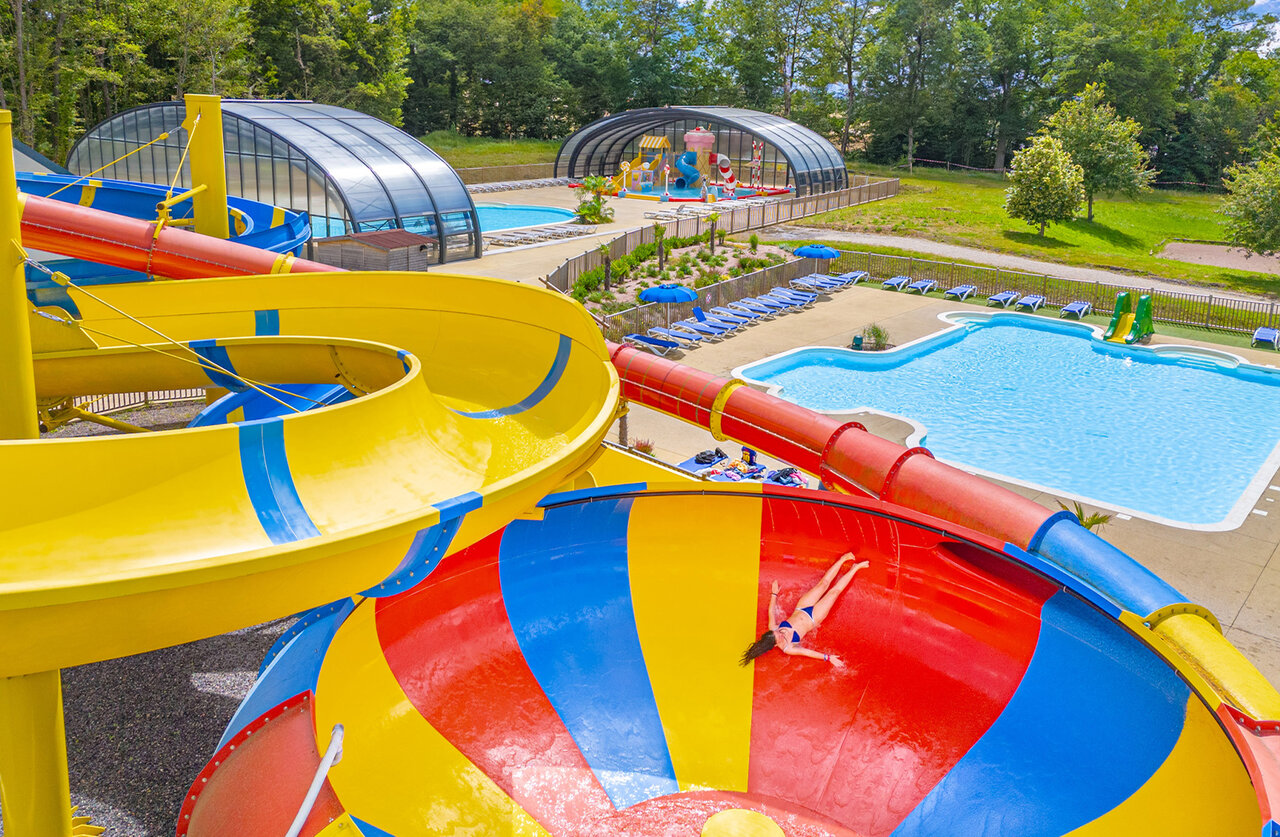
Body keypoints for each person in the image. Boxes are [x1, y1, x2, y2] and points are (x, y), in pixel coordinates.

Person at [740, 553, 870, 668]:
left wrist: (774, 594)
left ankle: (843, 559)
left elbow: (771, 611)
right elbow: (807, 652)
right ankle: (855, 568)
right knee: (834, 592)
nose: (779, 632)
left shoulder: (773, 628)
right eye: (779, 635)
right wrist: (828, 658)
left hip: (801, 607)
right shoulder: (788, 647)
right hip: (814, 618)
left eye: (776, 632)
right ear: (775, 645)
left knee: (823, 584)